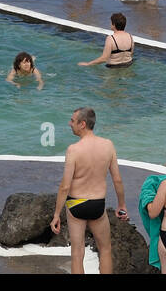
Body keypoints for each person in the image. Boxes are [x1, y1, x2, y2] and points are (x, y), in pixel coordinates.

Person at [50, 107, 128, 274]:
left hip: (76, 203)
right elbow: (117, 179)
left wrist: (56, 214)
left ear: (82, 124)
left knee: (77, 253)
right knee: (105, 249)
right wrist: (122, 205)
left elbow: (65, 186)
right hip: (97, 204)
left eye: (72, 121)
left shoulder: (74, 150)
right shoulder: (108, 145)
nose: (69, 124)